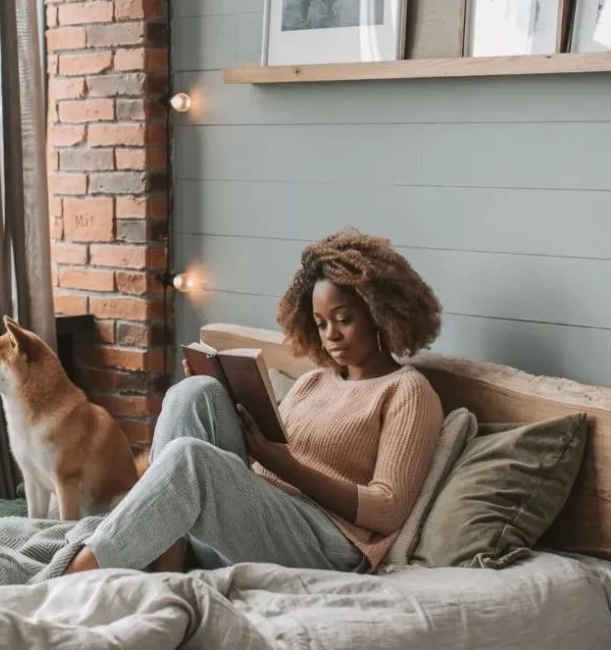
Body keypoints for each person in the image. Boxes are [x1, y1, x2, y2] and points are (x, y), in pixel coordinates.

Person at [64, 229, 443, 577]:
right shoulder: (314, 381)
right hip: (259, 521)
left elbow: (388, 508)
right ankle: (167, 558)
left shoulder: (407, 391)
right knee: (193, 393)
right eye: (321, 322)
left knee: (190, 460)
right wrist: (223, 394)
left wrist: (282, 463)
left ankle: (80, 572)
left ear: (381, 314)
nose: (331, 336)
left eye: (343, 319)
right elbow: (263, 455)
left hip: (326, 544)